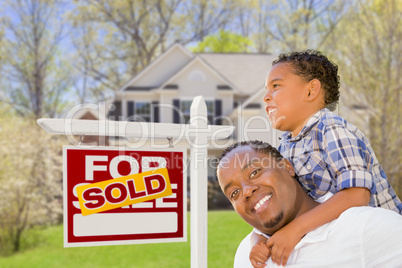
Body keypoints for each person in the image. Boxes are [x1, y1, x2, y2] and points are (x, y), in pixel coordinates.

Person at [244, 50, 402, 267]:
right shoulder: (285, 147)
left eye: (276, 86)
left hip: (378, 247)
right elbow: (282, 202)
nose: (266, 96)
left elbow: (357, 195)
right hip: (337, 243)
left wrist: (296, 228)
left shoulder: (332, 129)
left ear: (311, 91)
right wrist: (257, 239)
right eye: (266, 90)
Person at [216, 140, 402, 268]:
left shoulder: (367, 229)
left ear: (286, 167)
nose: (247, 191)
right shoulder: (246, 255)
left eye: (255, 172)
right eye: (234, 193)